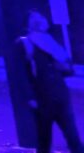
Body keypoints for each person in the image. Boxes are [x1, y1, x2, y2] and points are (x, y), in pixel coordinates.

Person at [20, 10, 83, 153]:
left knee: (73, 138)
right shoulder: (25, 43)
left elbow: (68, 69)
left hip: (60, 95)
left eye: (40, 17)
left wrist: (64, 67)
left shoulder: (51, 41)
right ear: (28, 24)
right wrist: (30, 97)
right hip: (42, 98)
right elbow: (23, 73)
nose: (39, 20)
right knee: (44, 139)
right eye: (34, 18)